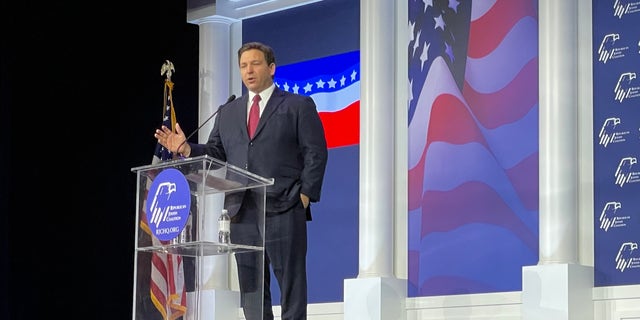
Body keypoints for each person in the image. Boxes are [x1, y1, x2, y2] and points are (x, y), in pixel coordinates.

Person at [154, 41, 328, 320]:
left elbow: (315, 152)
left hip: (284, 207)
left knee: (291, 289)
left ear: (271, 68)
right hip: (241, 210)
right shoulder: (229, 110)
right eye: (244, 65)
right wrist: (187, 148)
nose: (249, 71)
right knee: (252, 291)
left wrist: (305, 195)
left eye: (256, 64)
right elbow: (216, 153)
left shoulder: (297, 105)